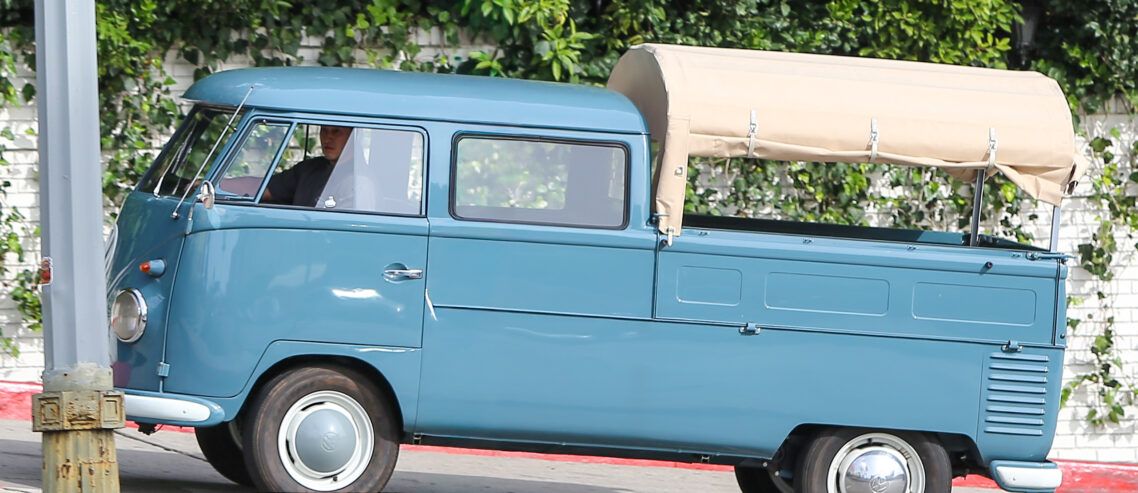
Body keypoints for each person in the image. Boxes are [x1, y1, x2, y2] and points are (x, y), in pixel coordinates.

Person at [261, 125, 351, 206]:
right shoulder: (309, 168)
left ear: (353, 136)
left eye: (336, 132)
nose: (327, 139)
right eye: (324, 130)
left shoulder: (357, 177)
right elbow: (266, 190)